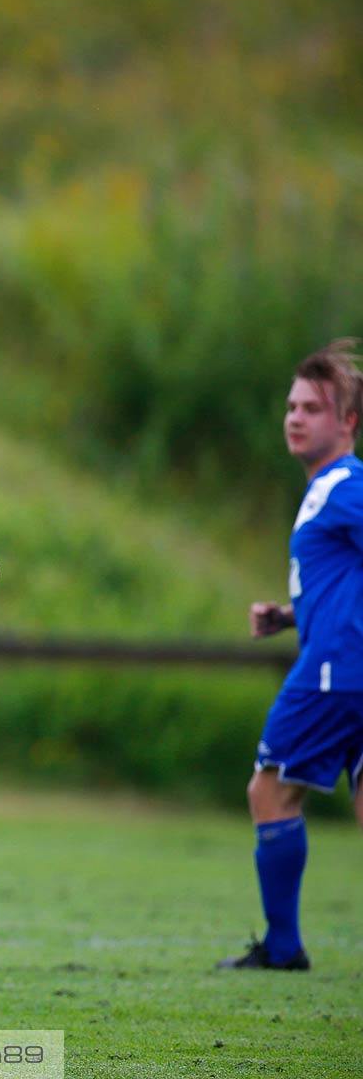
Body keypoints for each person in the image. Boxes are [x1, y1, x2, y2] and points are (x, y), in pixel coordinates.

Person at [219, 339, 363, 972]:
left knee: (269, 790)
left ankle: (282, 947)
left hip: (336, 673)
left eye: (314, 408)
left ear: (348, 421)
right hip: (343, 661)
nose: (296, 417)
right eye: (292, 406)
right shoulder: (326, 491)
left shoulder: (343, 486)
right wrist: (289, 614)